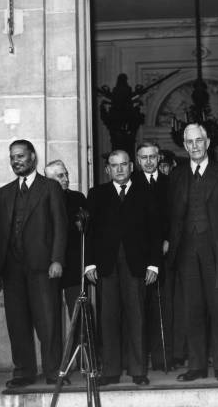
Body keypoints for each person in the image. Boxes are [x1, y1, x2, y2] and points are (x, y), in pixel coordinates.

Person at [0, 140, 68, 388]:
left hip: (43, 267)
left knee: (48, 322)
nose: (16, 161)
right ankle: (24, 371)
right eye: (12, 157)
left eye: (21, 156)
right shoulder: (3, 193)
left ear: (33, 157)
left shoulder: (50, 188)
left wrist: (57, 260)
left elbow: (60, 227)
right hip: (11, 269)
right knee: (18, 323)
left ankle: (54, 372)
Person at [85, 150, 161, 386]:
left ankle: (138, 370)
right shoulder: (97, 194)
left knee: (136, 316)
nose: (119, 169)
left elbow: (155, 231)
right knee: (108, 319)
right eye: (114, 165)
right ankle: (110, 371)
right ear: (108, 169)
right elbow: (89, 232)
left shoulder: (146, 192)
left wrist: (154, 264)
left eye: (123, 165)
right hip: (106, 266)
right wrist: (89, 263)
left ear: (131, 167)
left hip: (136, 265)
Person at [167, 123, 218, 382]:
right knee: (192, 310)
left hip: (216, 250)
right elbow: (171, 216)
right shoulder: (176, 176)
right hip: (186, 252)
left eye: (199, 140)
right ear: (184, 145)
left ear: (208, 143)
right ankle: (197, 366)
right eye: (189, 142)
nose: (194, 146)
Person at [133, 142, 176, 371]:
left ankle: (164, 358)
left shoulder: (171, 183)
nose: (148, 161)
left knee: (164, 306)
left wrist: (168, 239)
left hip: (166, 253)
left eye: (152, 157)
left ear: (159, 158)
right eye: (143, 157)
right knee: (140, 307)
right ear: (137, 160)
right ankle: (141, 358)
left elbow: (176, 215)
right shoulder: (131, 184)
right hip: (140, 255)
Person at [44, 160, 87, 317]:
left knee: (77, 312)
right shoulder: (41, 200)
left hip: (74, 264)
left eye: (66, 174)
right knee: (50, 315)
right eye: (60, 176)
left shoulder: (78, 197)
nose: (66, 179)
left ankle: (79, 343)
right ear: (49, 180)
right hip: (49, 263)